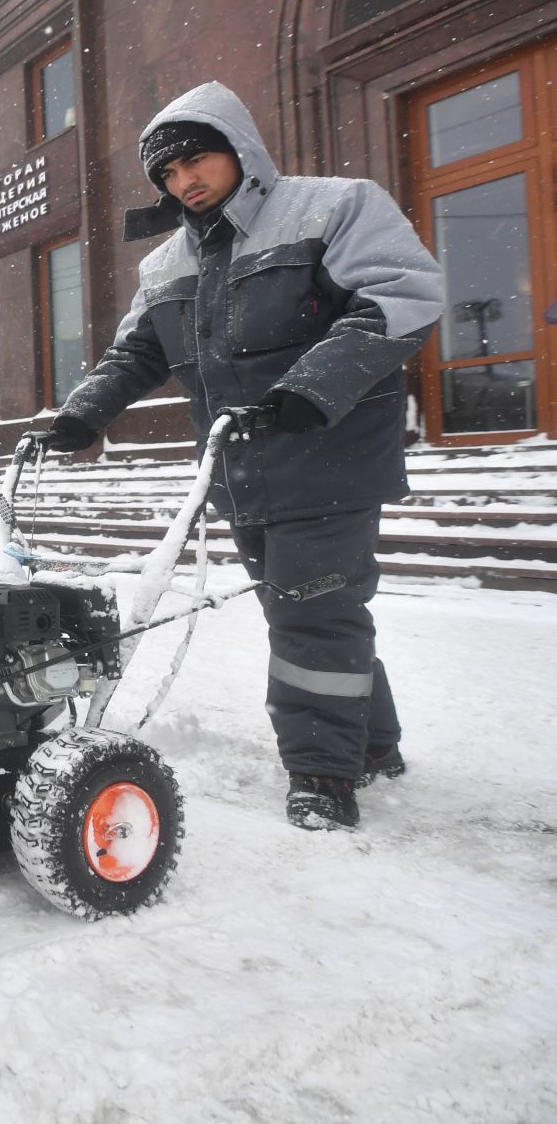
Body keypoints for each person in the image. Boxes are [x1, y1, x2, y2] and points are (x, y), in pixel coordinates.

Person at [41, 81, 445, 831]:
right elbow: (136, 352)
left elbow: (402, 292)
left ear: (241, 151)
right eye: (168, 174)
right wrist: (80, 416)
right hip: (243, 474)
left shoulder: (332, 207)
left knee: (312, 615)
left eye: (197, 160)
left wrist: (310, 388)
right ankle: (374, 745)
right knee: (311, 613)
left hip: (330, 456)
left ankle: (322, 776)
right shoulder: (167, 264)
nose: (184, 181)